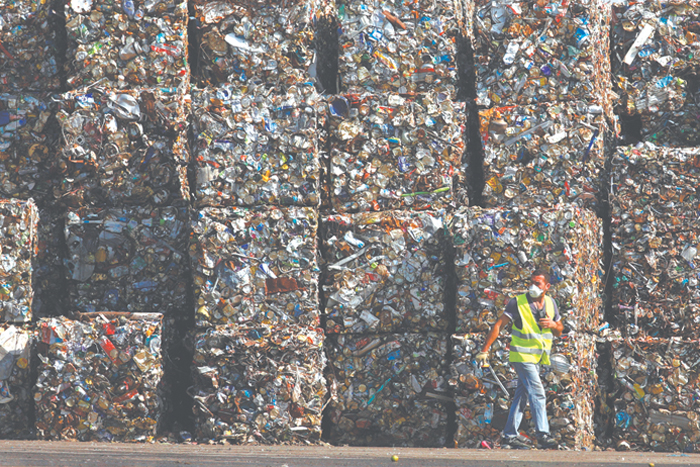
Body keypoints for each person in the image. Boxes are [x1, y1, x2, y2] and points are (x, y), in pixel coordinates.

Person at [475, 269, 563, 450]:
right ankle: (543, 434)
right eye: (531, 282)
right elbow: (498, 325)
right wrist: (484, 350)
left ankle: (509, 435)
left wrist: (553, 324)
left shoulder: (550, 303)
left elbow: (559, 329)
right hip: (521, 357)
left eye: (537, 283)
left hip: (537, 358)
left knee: (521, 396)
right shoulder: (518, 303)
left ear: (547, 286)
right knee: (537, 392)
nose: (533, 286)